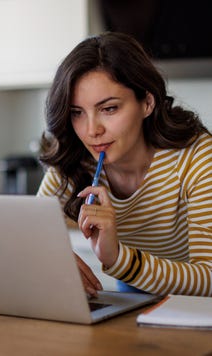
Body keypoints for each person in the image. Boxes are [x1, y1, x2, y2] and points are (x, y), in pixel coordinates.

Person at [37, 32, 212, 297]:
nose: (92, 130)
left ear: (147, 103)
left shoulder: (196, 157)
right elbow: (27, 236)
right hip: (133, 292)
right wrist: (50, 257)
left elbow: (209, 278)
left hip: (194, 305)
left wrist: (118, 258)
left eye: (109, 109)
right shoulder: (73, 160)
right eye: (77, 113)